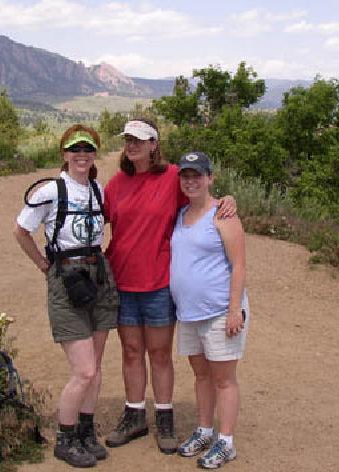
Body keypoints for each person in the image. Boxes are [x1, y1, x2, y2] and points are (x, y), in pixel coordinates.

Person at [102, 119, 236, 455]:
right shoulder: (116, 185)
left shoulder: (172, 177)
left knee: (159, 353)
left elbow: (201, 194)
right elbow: (94, 220)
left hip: (160, 282)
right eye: (128, 140)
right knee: (131, 351)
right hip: (123, 280)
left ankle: (164, 417)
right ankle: (134, 415)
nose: (132, 145)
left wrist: (227, 200)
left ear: (153, 145)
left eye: (140, 140)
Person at [14, 124, 118, 469]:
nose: (82, 155)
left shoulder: (97, 189)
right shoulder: (50, 190)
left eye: (88, 149)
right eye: (75, 149)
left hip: (97, 275)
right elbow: (21, 230)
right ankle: (66, 438)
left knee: (97, 366)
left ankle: (86, 432)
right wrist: (45, 266)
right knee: (84, 370)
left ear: (94, 154)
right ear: (64, 154)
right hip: (66, 278)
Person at [170, 151, 249, 470]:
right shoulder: (181, 214)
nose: (191, 181)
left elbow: (240, 264)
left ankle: (226, 442)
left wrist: (235, 310)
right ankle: (204, 431)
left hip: (219, 311)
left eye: (197, 175)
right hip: (189, 313)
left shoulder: (223, 214)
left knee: (224, 380)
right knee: (201, 375)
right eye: (186, 176)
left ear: (210, 178)